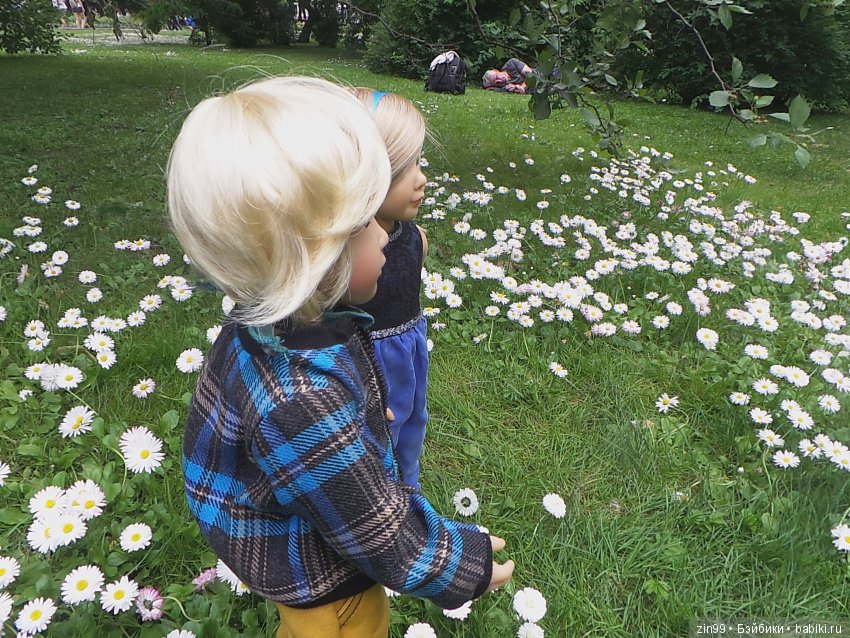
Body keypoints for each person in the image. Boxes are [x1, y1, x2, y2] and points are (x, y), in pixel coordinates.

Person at [167, 76, 514, 638]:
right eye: (363, 225)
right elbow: (375, 532)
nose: (385, 237)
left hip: (295, 542)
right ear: (312, 258)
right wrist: (463, 563)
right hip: (331, 591)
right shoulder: (299, 399)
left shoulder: (276, 326)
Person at [349, 88, 430, 491]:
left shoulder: (416, 239)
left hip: (409, 357)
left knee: (414, 419)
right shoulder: (351, 261)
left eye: (419, 161)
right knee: (373, 440)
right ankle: (378, 497)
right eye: (404, 167)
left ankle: (408, 488)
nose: (421, 179)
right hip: (368, 367)